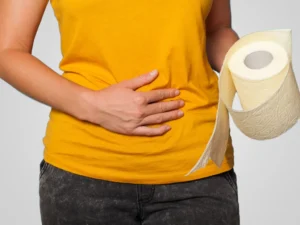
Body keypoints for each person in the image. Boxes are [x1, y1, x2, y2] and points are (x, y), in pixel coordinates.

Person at [0, 0, 240, 224]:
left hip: (198, 169)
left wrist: (245, 66)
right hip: (83, 177)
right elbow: (7, 50)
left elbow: (216, 30)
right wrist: (93, 105)